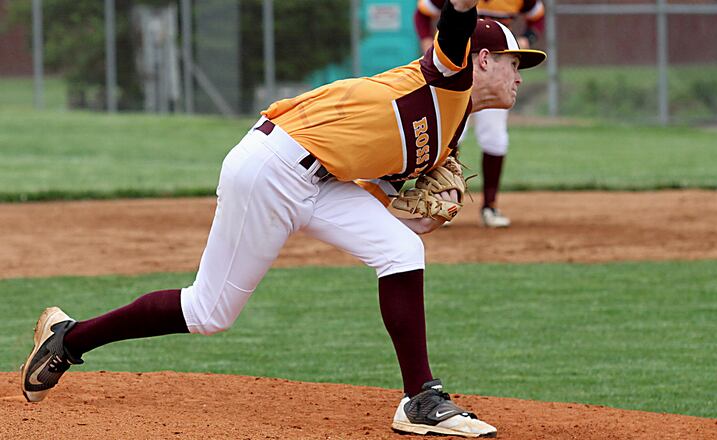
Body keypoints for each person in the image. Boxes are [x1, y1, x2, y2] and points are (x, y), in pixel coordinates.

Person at [21, 1, 545, 437]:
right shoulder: (448, 74)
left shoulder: (447, 134)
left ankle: (420, 400)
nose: (519, 74)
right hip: (272, 168)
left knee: (402, 250)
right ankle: (68, 340)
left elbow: (381, 195)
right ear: (480, 61)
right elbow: (457, 13)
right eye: (512, 61)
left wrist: (417, 220)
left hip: (321, 180)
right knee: (209, 312)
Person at [415, 0, 546, 228]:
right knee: (449, 134)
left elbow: (538, 16)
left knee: (494, 136)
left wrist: (528, 39)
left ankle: (490, 206)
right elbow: (422, 15)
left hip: (495, 70)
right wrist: (427, 40)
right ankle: (441, 201)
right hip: (456, 64)